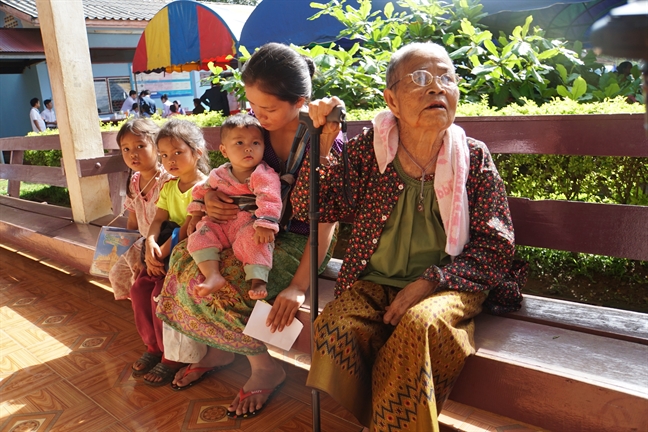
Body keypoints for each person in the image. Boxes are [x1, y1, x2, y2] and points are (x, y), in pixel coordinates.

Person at [297, 42, 527, 431]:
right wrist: (322, 143)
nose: (436, 88)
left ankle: (393, 425)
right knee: (336, 325)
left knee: (420, 327)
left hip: (451, 282)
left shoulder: (472, 155)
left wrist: (430, 281)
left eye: (447, 79)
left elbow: (496, 243)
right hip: (375, 282)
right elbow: (315, 207)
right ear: (392, 99)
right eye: (420, 78)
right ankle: (388, 422)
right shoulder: (369, 152)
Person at [155, 43, 342, 417]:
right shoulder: (255, 131)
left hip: (300, 241)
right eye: (254, 106)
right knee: (183, 267)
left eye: (268, 108)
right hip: (245, 230)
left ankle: (264, 368)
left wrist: (298, 287)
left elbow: (325, 223)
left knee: (234, 291)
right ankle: (224, 348)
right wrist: (210, 203)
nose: (258, 116)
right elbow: (224, 178)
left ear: (301, 100)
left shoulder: (322, 138)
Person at [130, 119, 210, 386]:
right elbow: (158, 220)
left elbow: (188, 229)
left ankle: (171, 357)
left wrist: (158, 254)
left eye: (178, 152)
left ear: (197, 151)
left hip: (190, 255)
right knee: (139, 289)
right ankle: (153, 347)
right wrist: (151, 243)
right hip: (165, 252)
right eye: (164, 155)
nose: (170, 160)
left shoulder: (205, 187)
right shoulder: (169, 187)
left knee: (158, 296)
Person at [187, 114, 281, 300]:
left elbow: (270, 197)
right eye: (239, 143)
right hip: (220, 223)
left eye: (256, 143)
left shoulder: (262, 174)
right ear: (223, 150)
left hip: (248, 223)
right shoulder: (218, 174)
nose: (248, 148)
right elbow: (200, 191)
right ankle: (212, 274)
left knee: (255, 241)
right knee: (199, 236)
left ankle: (258, 279)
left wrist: (265, 224)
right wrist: (196, 215)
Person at [108, 118, 172, 301]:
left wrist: (142, 258)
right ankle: (138, 303)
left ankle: (148, 304)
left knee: (140, 278)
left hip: (161, 243)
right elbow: (132, 221)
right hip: (140, 242)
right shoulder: (135, 182)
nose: (132, 154)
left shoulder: (167, 181)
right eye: (126, 149)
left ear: (157, 147)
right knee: (116, 272)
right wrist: (126, 248)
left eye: (140, 146)